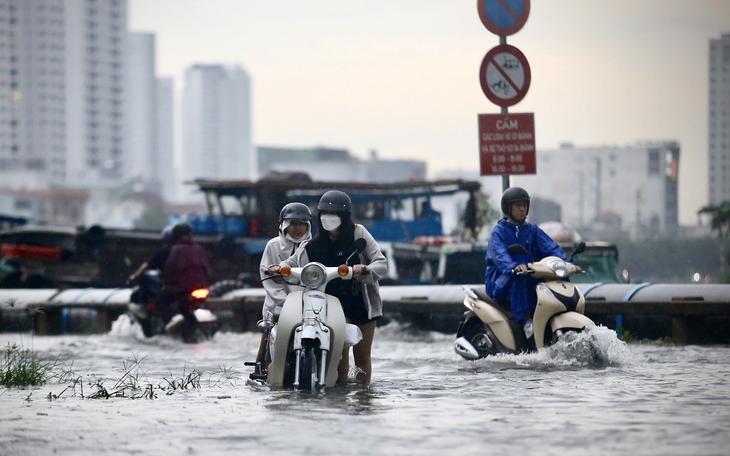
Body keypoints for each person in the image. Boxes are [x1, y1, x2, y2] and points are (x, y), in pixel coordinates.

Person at [269, 190, 387, 384]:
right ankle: (338, 397)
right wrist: (279, 268)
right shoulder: (312, 245)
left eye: (334, 214)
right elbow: (291, 262)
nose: (328, 218)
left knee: (363, 356)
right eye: (324, 214)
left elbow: (380, 263)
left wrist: (363, 269)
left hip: (361, 301)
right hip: (332, 304)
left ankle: (364, 398)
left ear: (345, 216)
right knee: (339, 358)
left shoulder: (359, 233)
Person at [484, 187, 581, 338]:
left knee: (556, 278)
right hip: (502, 278)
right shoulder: (499, 231)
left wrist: (567, 264)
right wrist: (513, 267)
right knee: (522, 278)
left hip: (528, 270)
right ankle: (525, 321)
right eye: (518, 206)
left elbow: (551, 247)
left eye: (524, 205)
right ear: (507, 208)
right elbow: (500, 255)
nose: (522, 209)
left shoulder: (532, 229)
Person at [255, 202, 313, 370]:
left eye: (302, 223)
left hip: (308, 305)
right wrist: (287, 301)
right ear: (284, 225)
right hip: (277, 305)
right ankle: (260, 373)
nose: (297, 228)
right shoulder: (272, 246)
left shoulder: (314, 246)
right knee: (264, 348)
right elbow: (267, 278)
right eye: (293, 223)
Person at [160, 222, 210, 332]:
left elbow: (170, 268)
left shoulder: (177, 249)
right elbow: (206, 268)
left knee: (161, 301)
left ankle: (168, 323)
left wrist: (165, 281)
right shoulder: (199, 249)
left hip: (182, 288)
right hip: (201, 286)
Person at [127, 226, 174, 303]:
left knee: (144, 278)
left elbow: (147, 265)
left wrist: (135, 276)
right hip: (186, 285)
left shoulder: (164, 251)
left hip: (168, 284)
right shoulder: (186, 250)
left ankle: (143, 303)